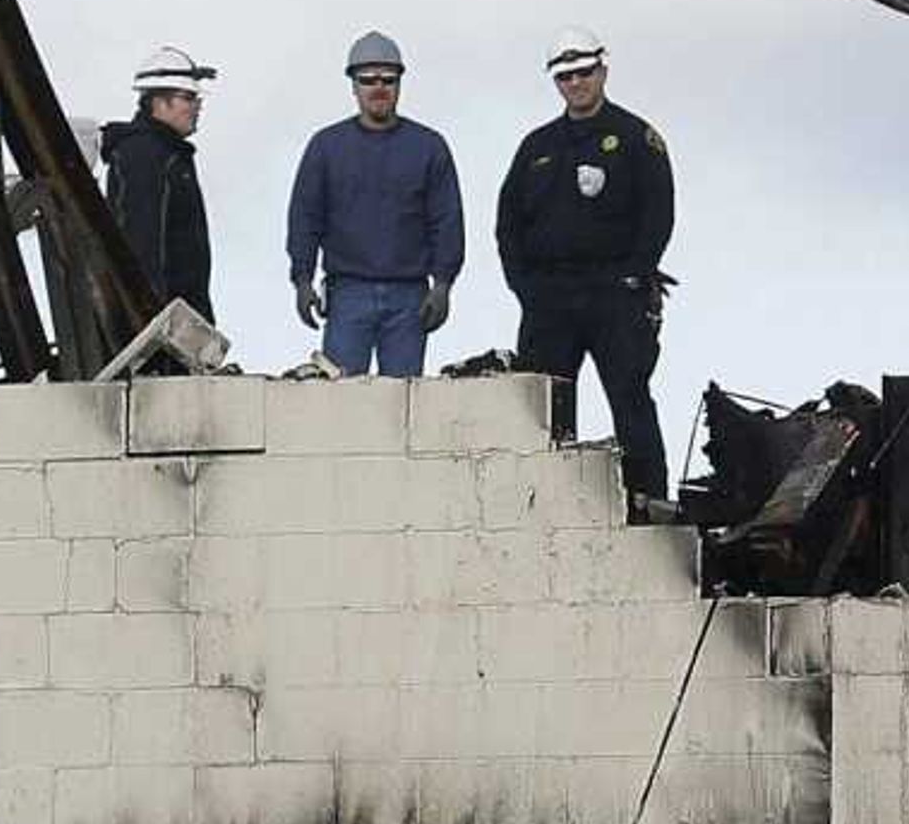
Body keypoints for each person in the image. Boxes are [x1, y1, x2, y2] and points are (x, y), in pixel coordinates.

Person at [495, 25, 676, 509]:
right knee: (542, 411)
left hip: (615, 294)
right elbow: (507, 223)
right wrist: (526, 289)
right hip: (550, 300)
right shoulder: (536, 147)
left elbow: (659, 212)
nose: (575, 83)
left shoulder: (637, 138)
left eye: (583, 72)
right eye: (565, 77)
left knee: (631, 399)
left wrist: (636, 275)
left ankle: (647, 503)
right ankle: (542, 507)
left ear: (603, 69)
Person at [284, 31, 464, 377]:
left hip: (410, 298)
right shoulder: (326, 147)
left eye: (388, 79)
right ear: (353, 85)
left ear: (400, 84)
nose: (378, 88)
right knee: (342, 403)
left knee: (402, 407)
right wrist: (302, 280)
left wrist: (443, 284)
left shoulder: (428, 147)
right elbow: (305, 218)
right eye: (368, 80)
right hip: (348, 294)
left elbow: (446, 220)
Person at [99, 45, 217, 329]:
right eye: (187, 97)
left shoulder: (168, 154)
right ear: (158, 102)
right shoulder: (144, 154)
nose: (197, 105)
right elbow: (141, 241)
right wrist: (151, 320)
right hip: (160, 322)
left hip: (179, 316)